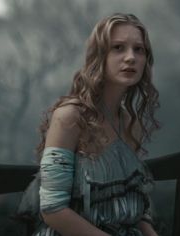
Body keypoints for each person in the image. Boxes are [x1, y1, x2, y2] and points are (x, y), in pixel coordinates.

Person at [34, 13, 160, 236]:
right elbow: (53, 210)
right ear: (99, 56)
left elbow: (136, 206)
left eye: (138, 49)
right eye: (118, 47)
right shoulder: (70, 117)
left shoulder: (131, 125)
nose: (130, 57)